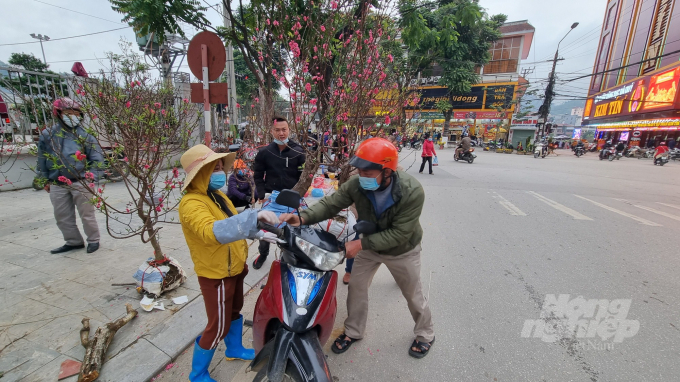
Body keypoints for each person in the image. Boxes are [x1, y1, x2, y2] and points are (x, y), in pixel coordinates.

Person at [279, 138, 435, 359]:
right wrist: (301, 218)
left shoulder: (412, 191)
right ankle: (353, 331)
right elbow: (330, 203)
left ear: (387, 171)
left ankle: (425, 334)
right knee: (356, 288)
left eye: (369, 173)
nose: (362, 177)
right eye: (360, 171)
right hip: (370, 245)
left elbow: (401, 233)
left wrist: (360, 244)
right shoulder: (357, 184)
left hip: (402, 249)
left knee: (413, 294)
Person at [178, 144, 281, 381]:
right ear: (199, 172)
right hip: (216, 275)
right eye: (213, 168)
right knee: (217, 326)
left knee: (234, 312)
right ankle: (198, 374)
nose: (220, 172)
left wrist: (258, 233)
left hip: (234, 267)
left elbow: (233, 223)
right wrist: (253, 216)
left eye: (219, 167)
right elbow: (212, 232)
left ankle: (233, 350)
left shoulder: (217, 196)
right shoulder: (192, 203)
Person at [38, 98, 103, 254]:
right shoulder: (48, 135)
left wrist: (92, 176)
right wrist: (43, 179)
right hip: (57, 183)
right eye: (68, 113)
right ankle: (73, 241)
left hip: (81, 181)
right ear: (59, 114)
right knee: (62, 216)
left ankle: (93, 240)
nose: (72, 116)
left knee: (87, 214)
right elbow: (42, 158)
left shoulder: (85, 136)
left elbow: (97, 159)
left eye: (76, 113)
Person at [252, 116, 305, 270]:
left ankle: (286, 259)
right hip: (271, 197)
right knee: (264, 229)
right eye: (277, 130)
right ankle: (263, 253)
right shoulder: (265, 152)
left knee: (291, 230)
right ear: (272, 131)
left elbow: (305, 176)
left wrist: (299, 195)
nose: (281, 133)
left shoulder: (298, 151)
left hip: (292, 198)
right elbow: (257, 175)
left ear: (289, 130)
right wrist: (262, 195)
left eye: (284, 129)